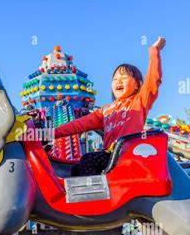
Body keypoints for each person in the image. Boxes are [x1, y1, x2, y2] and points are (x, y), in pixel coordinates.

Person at [54, 37, 166, 176]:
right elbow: (79, 124)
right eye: (115, 79)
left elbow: (153, 81)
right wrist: (53, 133)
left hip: (127, 154)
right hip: (110, 155)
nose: (118, 80)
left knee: (88, 160)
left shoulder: (139, 100)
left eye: (124, 77)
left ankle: (94, 192)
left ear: (138, 84)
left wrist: (154, 51)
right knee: (76, 169)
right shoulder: (106, 110)